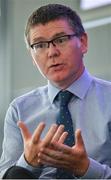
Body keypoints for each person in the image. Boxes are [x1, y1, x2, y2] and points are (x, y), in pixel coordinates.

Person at [0, 3, 111, 179]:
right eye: (40, 45)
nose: (52, 52)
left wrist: (86, 168)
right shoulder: (19, 110)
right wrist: (27, 162)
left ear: (83, 42)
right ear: (32, 56)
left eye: (60, 40)